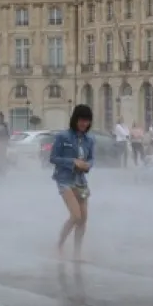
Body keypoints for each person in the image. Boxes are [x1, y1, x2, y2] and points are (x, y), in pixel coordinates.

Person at [50, 105, 95, 261]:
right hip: (64, 180)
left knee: (83, 219)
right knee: (75, 216)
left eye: (87, 121)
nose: (84, 123)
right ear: (75, 119)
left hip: (81, 181)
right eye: (81, 120)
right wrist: (73, 162)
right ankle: (60, 245)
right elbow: (53, 158)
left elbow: (91, 158)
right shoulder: (63, 137)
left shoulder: (90, 139)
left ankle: (77, 252)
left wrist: (88, 165)